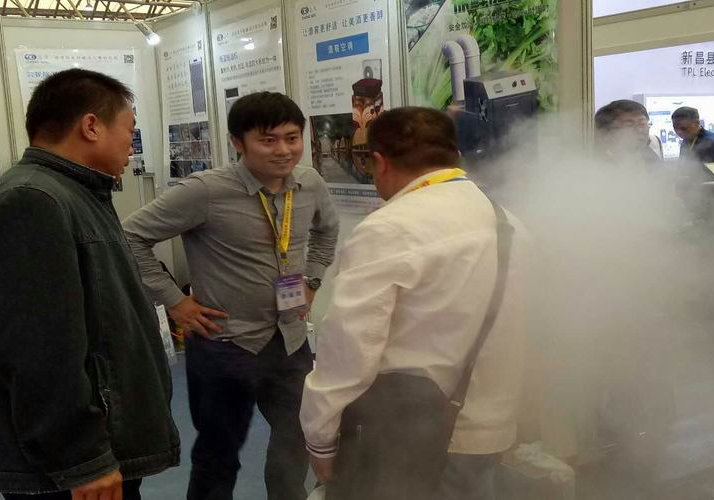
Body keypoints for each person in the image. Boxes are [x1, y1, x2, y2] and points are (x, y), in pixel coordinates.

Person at [0, 69, 180, 499]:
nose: (131, 146)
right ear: (91, 126)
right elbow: (38, 350)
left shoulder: (74, 195)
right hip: (66, 470)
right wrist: (82, 458)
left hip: (90, 450)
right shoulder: (32, 201)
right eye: (129, 131)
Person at [123, 91, 339, 500]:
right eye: (268, 140)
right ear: (238, 142)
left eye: (292, 138)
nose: (283, 150)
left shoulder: (309, 183)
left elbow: (327, 231)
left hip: (290, 340)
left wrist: (312, 282)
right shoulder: (205, 191)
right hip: (225, 345)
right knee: (218, 455)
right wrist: (174, 301)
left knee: (298, 438)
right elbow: (130, 237)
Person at [300, 107, 524, 500]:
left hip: (405, 440)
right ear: (454, 155)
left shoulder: (390, 229)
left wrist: (320, 438)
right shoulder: (509, 224)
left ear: (380, 162)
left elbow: (349, 349)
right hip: (489, 430)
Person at [594, 99, 662, 167]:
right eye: (629, 125)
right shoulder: (596, 163)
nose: (639, 130)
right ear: (607, 133)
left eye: (642, 123)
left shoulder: (649, 156)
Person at [672, 106, 714, 179]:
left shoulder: (711, 143)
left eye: (683, 128)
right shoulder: (686, 139)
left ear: (696, 123)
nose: (679, 132)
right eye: (675, 127)